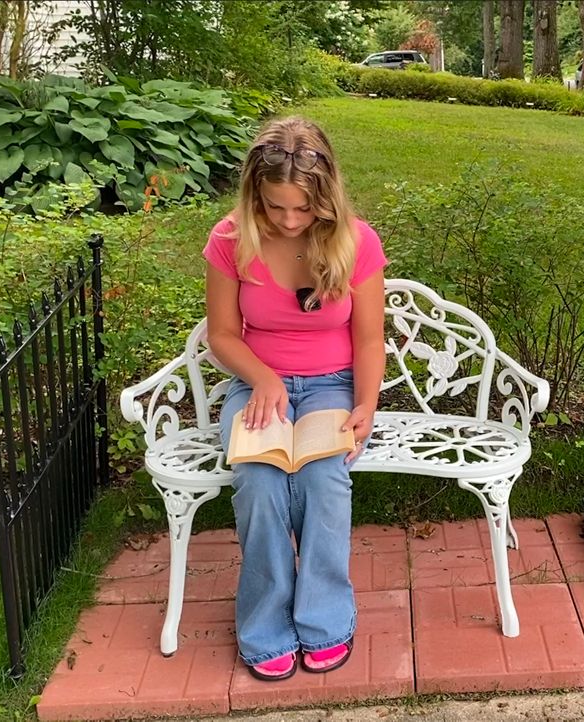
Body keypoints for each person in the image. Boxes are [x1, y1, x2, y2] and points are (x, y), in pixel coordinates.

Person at [203, 116, 387, 681]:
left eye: (302, 209)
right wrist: (262, 379)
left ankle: (326, 620)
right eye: (274, 206)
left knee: (323, 478)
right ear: (254, 194)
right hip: (258, 386)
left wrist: (366, 405)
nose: (287, 220)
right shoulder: (231, 239)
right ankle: (264, 625)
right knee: (258, 482)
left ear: (324, 199)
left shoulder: (355, 241)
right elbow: (222, 335)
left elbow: (368, 338)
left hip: (332, 385)